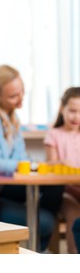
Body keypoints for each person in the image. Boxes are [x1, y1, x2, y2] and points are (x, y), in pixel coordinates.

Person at [0, 64, 64, 252]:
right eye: (13, 96)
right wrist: (31, 165)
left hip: (5, 188)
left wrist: (36, 165)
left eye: (22, 93)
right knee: (46, 222)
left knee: (55, 186)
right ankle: (34, 244)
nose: (20, 101)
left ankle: (34, 246)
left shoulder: (11, 117)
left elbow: (21, 157)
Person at [44, 87, 80, 253]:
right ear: (62, 108)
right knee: (74, 216)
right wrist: (60, 163)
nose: (76, 116)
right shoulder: (54, 134)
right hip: (66, 192)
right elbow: (51, 165)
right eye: (72, 111)